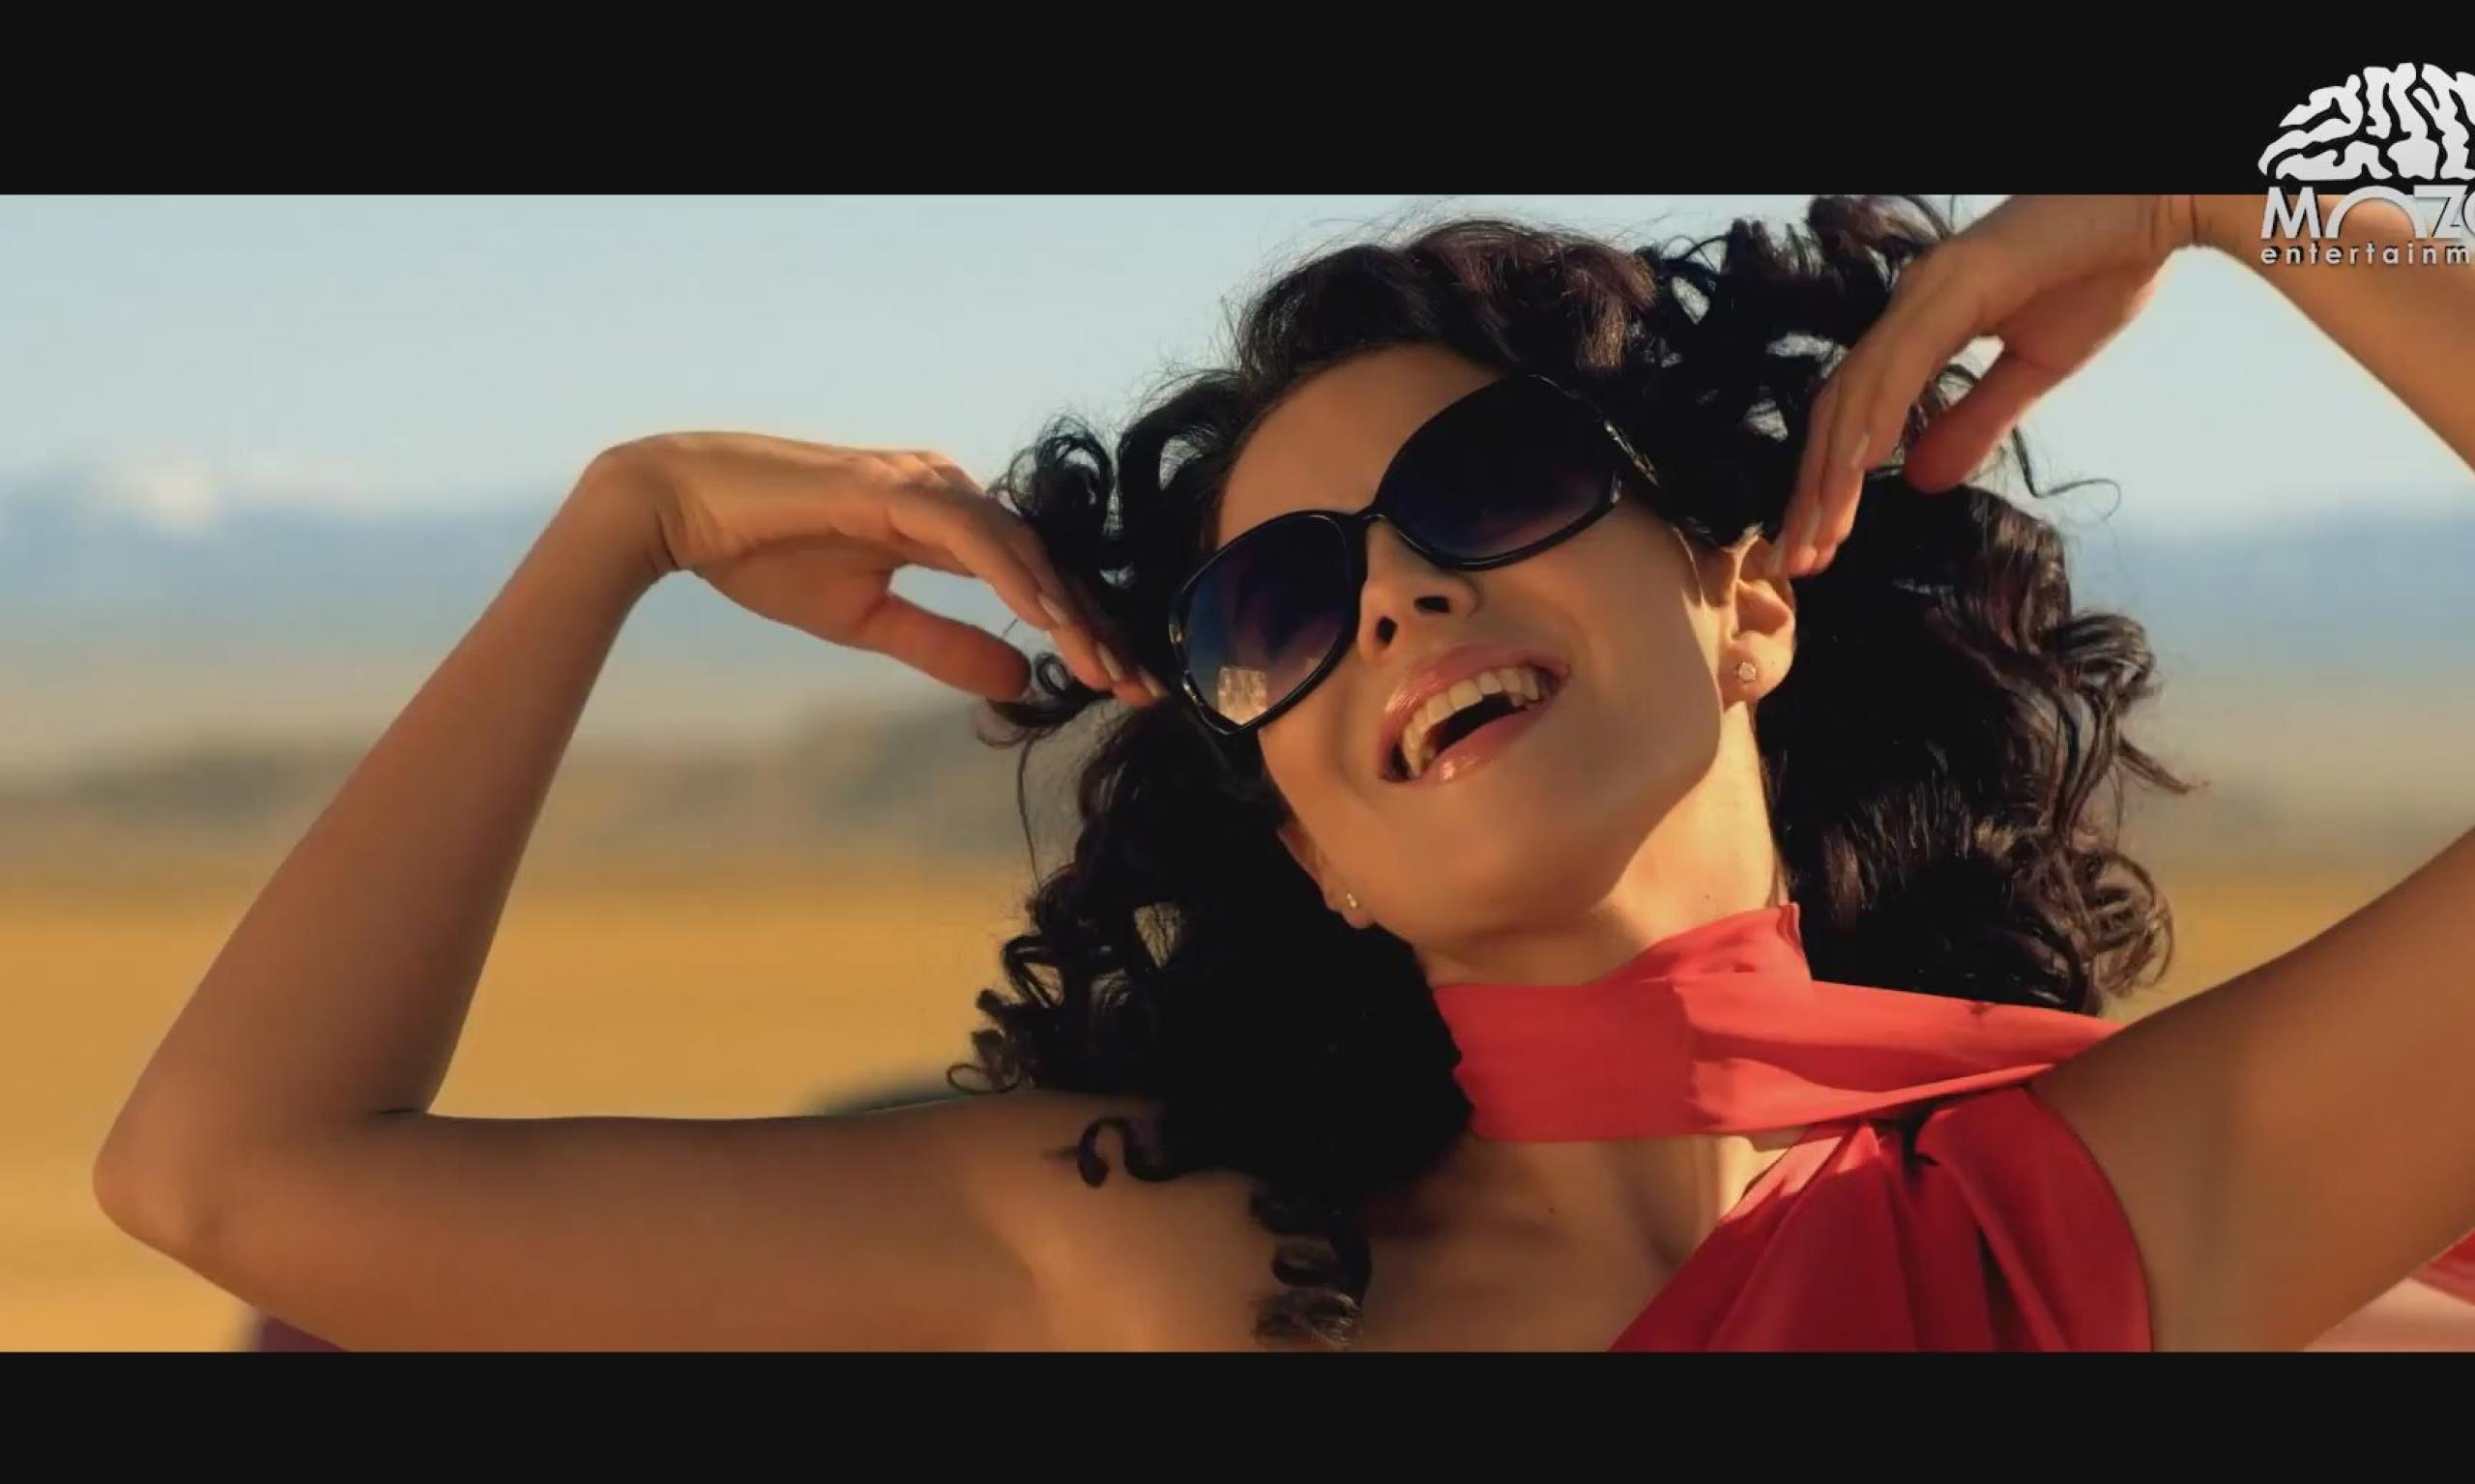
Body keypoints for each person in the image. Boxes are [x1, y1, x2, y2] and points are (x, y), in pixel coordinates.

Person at [98, 193, 2475, 1352]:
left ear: (1746, 597)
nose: (1400, 598)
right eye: (1279, 608)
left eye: (1488, 490)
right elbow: (223, 1173)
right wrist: (608, 536)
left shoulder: (2073, 1220)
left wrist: (2252, 163)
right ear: (1313, 846)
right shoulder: (1171, 1258)